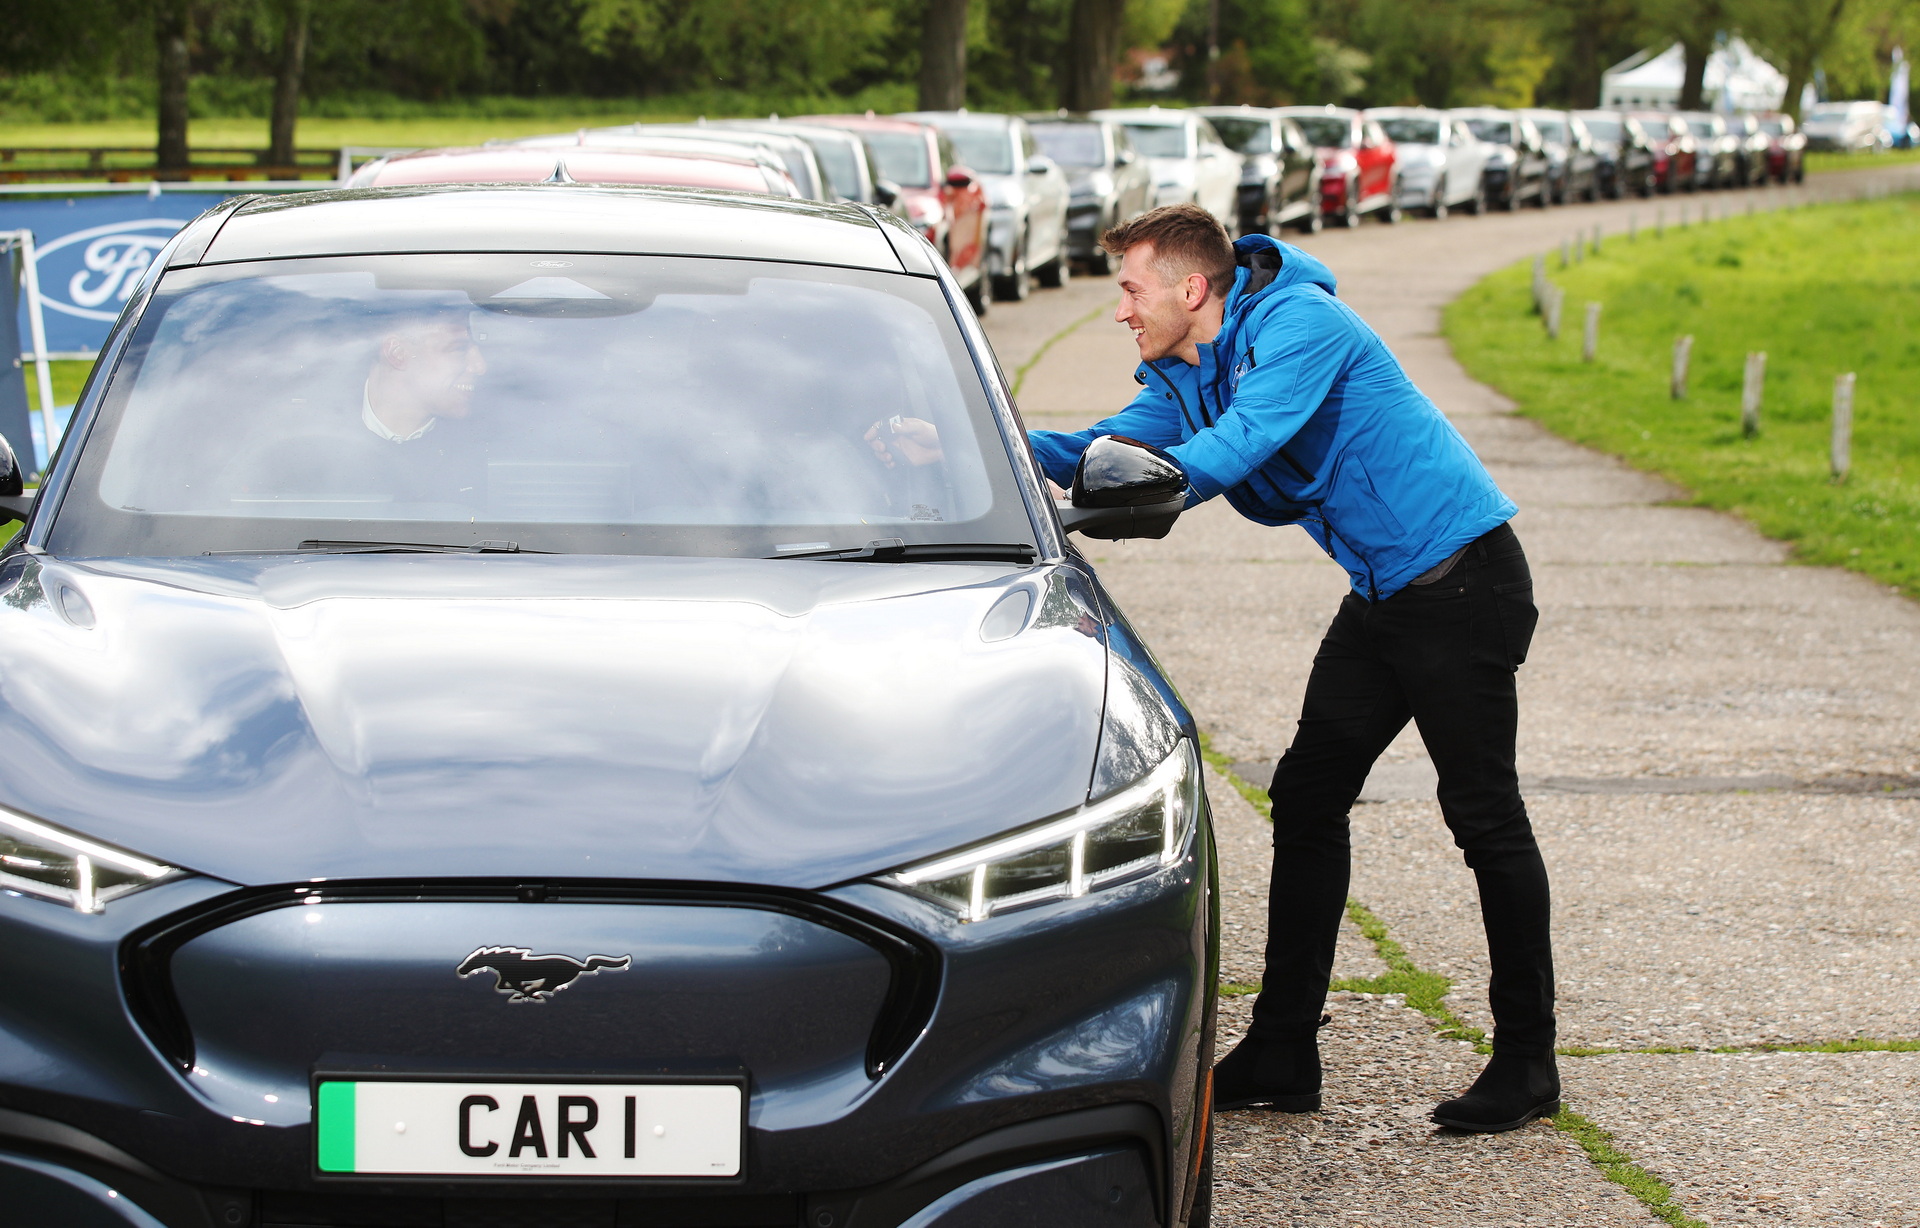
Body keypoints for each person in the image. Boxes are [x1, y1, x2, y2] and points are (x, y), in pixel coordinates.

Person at [1026, 204, 1559, 1134]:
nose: (1121, 310)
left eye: (1130, 288)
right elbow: (1106, 448)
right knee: (1309, 795)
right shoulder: (1183, 369)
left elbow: (1233, 450)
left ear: (1191, 289)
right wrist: (978, 441)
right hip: (1388, 595)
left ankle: (1527, 1060)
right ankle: (1284, 1048)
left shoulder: (1300, 325)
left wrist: (1143, 497)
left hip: (1462, 579)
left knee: (1483, 815)